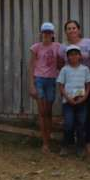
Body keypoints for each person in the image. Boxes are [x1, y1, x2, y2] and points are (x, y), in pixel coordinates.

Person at [60, 19, 90, 155]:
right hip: (70, 85)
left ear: (79, 29)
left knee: (86, 115)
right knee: (69, 118)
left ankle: (87, 142)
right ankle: (68, 143)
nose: (72, 30)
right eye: (69, 28)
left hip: (86, 83)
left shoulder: (89, 43)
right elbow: (60, 65)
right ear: (66, 32)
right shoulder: (63, 47)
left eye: (74, 28)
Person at [28, 22, 62, 154]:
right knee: (42, 112)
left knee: (48, 111)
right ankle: (45, 143)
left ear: (53, 34)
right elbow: (31, 66)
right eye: (44, 32)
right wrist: (32, 85)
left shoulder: (57, 47)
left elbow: (61, 62)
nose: (47, 34)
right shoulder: (36, 47)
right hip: (39, 80)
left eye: (49, 32)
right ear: (41, 33)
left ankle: (48, 137)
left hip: (52, 80)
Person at [56, 45, 90, 156]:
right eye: (71, 55)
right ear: (67, 57)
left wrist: (85, 97)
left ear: (80, 56)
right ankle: (65, 146)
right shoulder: (64, 69)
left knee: (81, 124)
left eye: (76, 54)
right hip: (68, 102)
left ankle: (80, 147)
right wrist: (67, 98)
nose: (74, 57)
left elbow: (88, 85)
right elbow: (61, 86)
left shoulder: (85, 69)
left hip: (82, 101)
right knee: (68, 124)